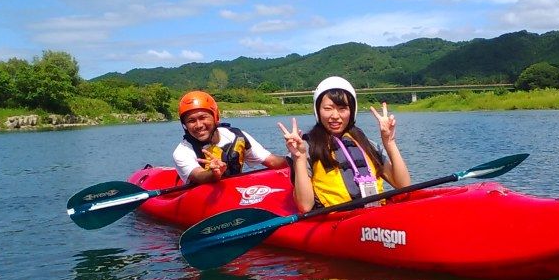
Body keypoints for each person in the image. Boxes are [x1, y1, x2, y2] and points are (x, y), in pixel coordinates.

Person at [279, 76, 411, 213]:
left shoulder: (367, 145)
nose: (335, 115)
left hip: (374, 219)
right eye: (328, 108)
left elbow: (404, 186)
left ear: (351, 111)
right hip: (337, 224)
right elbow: (304, 206)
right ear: (318, 111)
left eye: (342, 109)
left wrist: (389, 142)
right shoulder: (306, 149)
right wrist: (299, 158)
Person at [173, 90, 287, 184]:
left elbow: (272, 162)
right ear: (185, 125)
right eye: (191, 121)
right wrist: (213, 173)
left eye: (203, 118)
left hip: (236, 192)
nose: (198, 125)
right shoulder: (182, 151)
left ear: (216, 117)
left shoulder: (236, 136)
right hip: (202, 199)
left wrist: (297, 156)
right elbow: (198, 175)